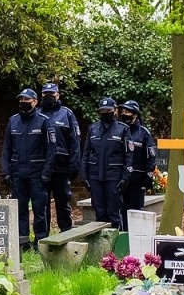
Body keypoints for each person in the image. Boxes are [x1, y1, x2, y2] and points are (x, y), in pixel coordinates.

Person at [2, 88, 55, 241]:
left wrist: (46, 172)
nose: (23, 102)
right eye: (21, 100)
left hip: (37, 174)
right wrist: (6, 171)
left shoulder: (44, 121)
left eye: (27, 100)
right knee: (20, 210)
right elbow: (6, 148)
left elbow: (51, 149)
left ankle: (41, 240)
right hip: (17, 173)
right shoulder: (13, 121)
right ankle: (22, 241)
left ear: (35, 102)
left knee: (39, 210)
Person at [40, 83, 81, 232]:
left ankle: (66, 233)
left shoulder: (67, 114)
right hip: (42, 167)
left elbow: (75, 141)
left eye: (51, 93)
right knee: (42, 204)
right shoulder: (37, 114)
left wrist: (74, 165)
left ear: (58, 95)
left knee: (63, 203)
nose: (48, 96)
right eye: (45, 94)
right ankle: (43, 236)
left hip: (62, 167)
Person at [83, 97, 129, 228]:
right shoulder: (93, 129)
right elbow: (86, 153)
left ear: (115, 111)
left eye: (108, 110)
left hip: (114, 176)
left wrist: (125, 177)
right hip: (95, 176)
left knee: (114, 212)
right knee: (99, 212)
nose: (105, 113)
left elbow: (128, 156)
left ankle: (115, 245)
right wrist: (84, 176)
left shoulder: (123, 129)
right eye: (102, 110)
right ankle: (100, 245)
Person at [118, 100, 156, 217]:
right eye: (122, 111)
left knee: (135, 212)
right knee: (120, 211)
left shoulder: (144, 133)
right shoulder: (118, 130)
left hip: (137, 181)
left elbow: (151, 157)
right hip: (120, 179)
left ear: (135, 114)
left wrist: (147, 179)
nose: (124, 114)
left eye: (127, 111)